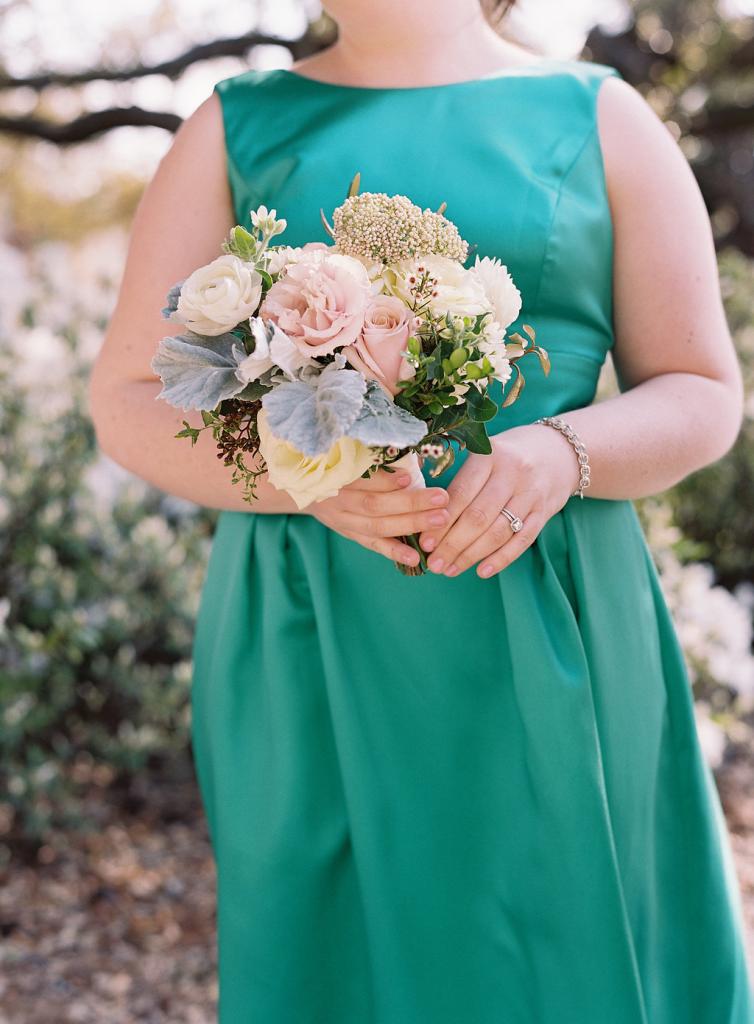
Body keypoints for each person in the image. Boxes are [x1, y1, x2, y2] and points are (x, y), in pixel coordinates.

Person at [88, 1, 754, 1020]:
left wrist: (558, 449)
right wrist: (304, 478)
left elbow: (703, 389)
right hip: (310, 625)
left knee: (567, 951)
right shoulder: (232, 127)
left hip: (548, 607)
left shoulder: (601, 118)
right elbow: (128, 400)